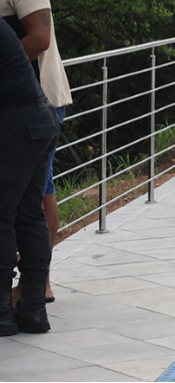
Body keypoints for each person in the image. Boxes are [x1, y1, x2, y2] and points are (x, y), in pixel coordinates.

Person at [0, 0, 71, 306]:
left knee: (38, 189)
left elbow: (39, 38)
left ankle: (38, 282)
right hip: (11, 107)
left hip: (38, 103)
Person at [0, 18, 61, 336]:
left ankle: (2, 315)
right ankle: (34, 311)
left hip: (20, 122)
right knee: (29, 214)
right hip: (39, 119)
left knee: (2, 215)